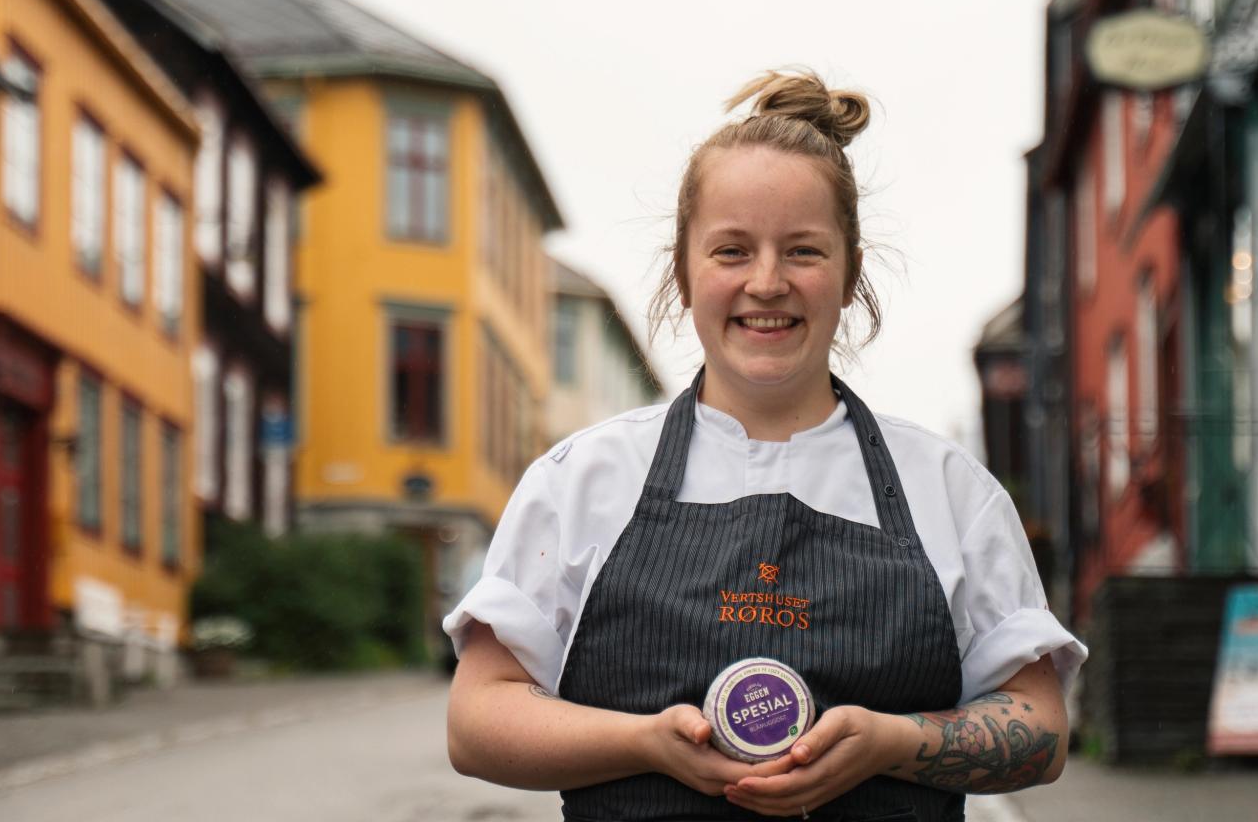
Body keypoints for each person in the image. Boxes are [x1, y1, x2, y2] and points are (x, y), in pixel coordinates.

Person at [445, 70, 1085, 821]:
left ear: (850, 274)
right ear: (683, 271)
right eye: (732, 251)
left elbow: (1040, 730)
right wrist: (645, 743)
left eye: (804, 252)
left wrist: (890, 742)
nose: (768, 281)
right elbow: (477, 720)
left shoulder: (948, 489)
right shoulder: (582, 480)